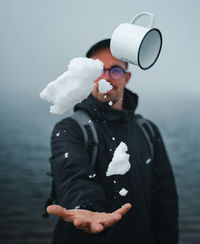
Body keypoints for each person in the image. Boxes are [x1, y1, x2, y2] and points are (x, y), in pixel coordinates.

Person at [47, 39, 179, 244]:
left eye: (115, 70)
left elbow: (165, 204)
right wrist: (85, 208)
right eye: (99, 70)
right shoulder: (69, 129)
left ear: (127, 77)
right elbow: (73, 177)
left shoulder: (148, 131)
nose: (106, 77)